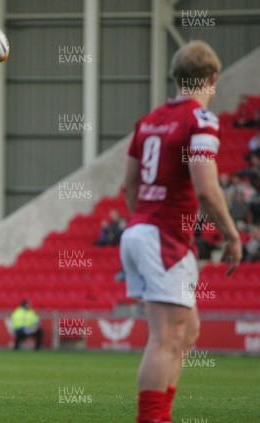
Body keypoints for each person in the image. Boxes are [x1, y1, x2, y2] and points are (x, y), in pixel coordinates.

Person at [120, 40, 241, 423]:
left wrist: (145, 221)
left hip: (141, 230)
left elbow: (129, 187)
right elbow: (206, 187)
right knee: (166, 338)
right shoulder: (200, 119)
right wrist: (233, 235)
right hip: (162, 238)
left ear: (175, 77)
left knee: (187, 331)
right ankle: (151, 419)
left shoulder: (150, 119)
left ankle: (160, 416)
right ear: (213, 78)